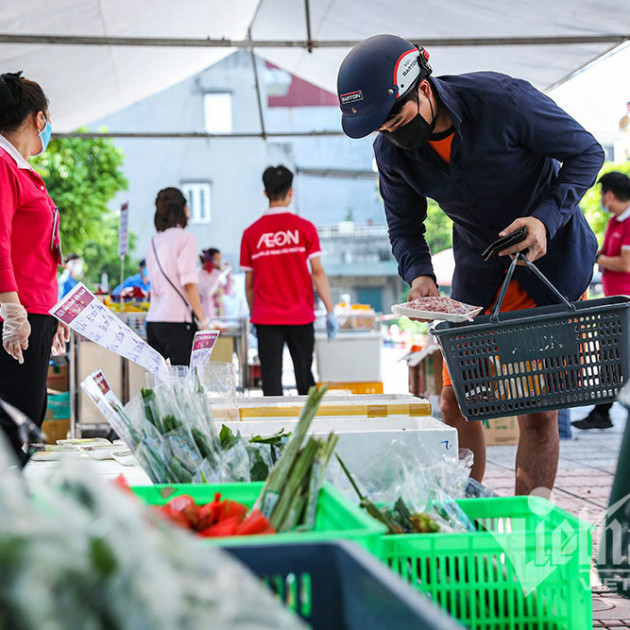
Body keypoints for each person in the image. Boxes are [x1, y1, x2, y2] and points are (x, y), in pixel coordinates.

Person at [337, 35, 604, 495]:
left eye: (395, 119)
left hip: (552, 267)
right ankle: (464, 516)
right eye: (382, 129)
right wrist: (419, 275)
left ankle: (529, 527)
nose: (392, 133)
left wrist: (544, 219)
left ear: (422, 88)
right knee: (458, 402)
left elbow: (587, 153)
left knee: (539, 410)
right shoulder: (391, 151)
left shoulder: (504, 101)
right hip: (480, 275)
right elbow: (404, 227)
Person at [0, 71, 69, 461]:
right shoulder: (3, 166)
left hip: (35, 313)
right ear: (38, 119)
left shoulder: (22, 170)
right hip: (16, 316)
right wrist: (12, 310)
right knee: (17, 428)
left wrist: (51, 311)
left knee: (29, 421)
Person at [240, 165, 338, 396]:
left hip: (266, 318)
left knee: (271, 382)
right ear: (291, 192)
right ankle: (308, 429)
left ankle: (275, 430)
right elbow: (317, 272)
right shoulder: (305, 228)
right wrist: (330, 310)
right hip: (301, 316)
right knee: (305, 377)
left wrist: (255, 315)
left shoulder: (251, 233)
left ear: (265, 193)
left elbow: (248, 283)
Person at [573, 171, 630, 430]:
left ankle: (602, 411)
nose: (601, 200)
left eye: (601, 194)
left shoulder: (628, 222)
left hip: (626, 302)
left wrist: (598, 259)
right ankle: (602, 411)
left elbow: (625, 263)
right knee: (610, 356)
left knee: (614, 356)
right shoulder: (616, 221)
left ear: (609, 193)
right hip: (614, 301)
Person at [145, 187, 210, 366]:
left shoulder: (153, 241)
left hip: (153, 321)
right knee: (181, 384)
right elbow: (189, 283)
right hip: (176, 321)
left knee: (161, 385)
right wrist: (203, 321)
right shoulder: (185, 239)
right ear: (182, 210)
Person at [198, 247, 233, 320]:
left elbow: (228, 292)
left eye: (220, 259)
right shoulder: (199, 275)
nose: (219, 262)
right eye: (217, 259)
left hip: (219, 318)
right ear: (208, 260)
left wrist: (228, 275)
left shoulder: (216, 276)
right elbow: (207, 292)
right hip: (207, 319)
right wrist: (217, 272)